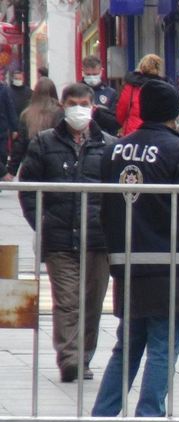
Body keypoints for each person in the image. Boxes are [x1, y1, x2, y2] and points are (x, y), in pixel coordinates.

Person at [88, 80, 179, 422]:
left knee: (127, 346)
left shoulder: (115, 149)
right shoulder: (178, 149)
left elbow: (105, 206)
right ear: (176, 113)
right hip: (172, 262)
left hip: (129, 262)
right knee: (163, 346)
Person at [18, 83, 115, 383]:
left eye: (84, 103)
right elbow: (28, 187)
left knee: (92, 301)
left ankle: (84, 356)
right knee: (68, 300)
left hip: (98, 239)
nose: (79, 109)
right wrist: (42, 221)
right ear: (62, 105)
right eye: (73, 103)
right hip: (60, 238)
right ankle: (70, 357)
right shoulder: (45, 143)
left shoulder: (108, 145)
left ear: (92, 106)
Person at [9, 77, 62, 175]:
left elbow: (20, 144)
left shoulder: (27, 114)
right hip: (55, 163)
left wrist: (12, 170)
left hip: (31, 162)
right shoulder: (59, 113)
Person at [116, 54, 166, 136]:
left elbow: (121, 112)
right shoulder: (163, 87)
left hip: (132, 132)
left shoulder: (131, 86)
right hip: (156, 132)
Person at [82, 55, 120, 135]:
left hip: (104, 138)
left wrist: (97, 113)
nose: (92, 77)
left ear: (101, 71)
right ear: (83, 71)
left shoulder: (111, 93)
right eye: (88, 75)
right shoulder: (75, 91)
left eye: (95, 74)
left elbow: (116, 122)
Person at [0, 72, 19, 173]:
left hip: (2, 130)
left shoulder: (4, 89)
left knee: (2, 155)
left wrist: (15, 128)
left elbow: (10, 108)